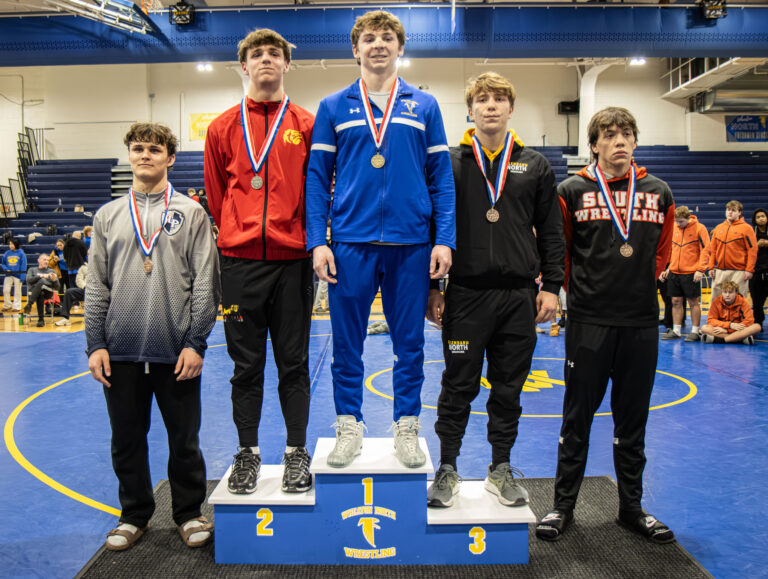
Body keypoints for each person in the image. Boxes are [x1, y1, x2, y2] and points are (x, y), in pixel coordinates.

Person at [306, 10, 455, 469]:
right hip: (350, 243)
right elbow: (316, 179)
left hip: (412, 245)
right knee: (346, 343)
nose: (378, 45)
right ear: (355, 49)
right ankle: (348, 426)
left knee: (409, 344)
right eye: (368, 38)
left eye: (387, 37)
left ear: (400, 47)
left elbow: (442, 179)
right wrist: (318, 241)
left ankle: (406, 427)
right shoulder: (333, 107)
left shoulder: (424, 106)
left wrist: (443, 239)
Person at [535, 107, 676, 544]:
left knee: (632, 422)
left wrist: (634, 285)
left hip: (639, 324)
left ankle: (631, 509)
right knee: (576, 419)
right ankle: (562, 506)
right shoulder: (571, 190)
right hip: (589, 321)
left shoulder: (659, 191)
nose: (619, 141)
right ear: (593, 144)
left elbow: (663, 254)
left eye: (627, 134)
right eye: (609, 135)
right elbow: (560, 251)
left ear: (635, 142)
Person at [425, 72, 564, 508]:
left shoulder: (535, 165)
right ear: (469, 110)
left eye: (499, 99)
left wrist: (553, 287)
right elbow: (433, 228)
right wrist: (433, 287)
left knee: (508, 388)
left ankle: (499, 468)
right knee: (458, 385)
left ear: (510, 109)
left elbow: (552, 233)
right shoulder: (449, 160)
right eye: (481, 99)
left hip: (519, 296)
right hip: (465, 294)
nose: (490, 106)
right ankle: (447, 467)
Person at [86, 122, 220, 551]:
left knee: (185, 439)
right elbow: (96, 286)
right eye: (138, 148)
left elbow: (205, 283)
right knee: (126, 438)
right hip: (120, 350)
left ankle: (188, 512)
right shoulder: (107, 215)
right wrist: (96, 344)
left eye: (155, 149)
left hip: (175, 349)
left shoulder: (191, 212)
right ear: (129, 155)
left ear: (170, 158)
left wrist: (195, 343)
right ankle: (135, 514)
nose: (145, 155)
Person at [204, 29, 315, 495]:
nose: (266, 59)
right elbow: (216, 193)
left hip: (293, 262)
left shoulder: (307, 125)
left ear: (287, 64)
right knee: (244, 366)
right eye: (256, 54)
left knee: (294, 362)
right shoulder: (221, 127)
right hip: (239, 264)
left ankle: (295, 452)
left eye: (275, 53)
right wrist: (237, 232)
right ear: (243, 67)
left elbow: (315, 194)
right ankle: (247, 452)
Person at [659, 206, 710, 341]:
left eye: (681, 221)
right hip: (674, 271)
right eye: (676, 221)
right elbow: (671, 250)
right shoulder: (674, 228)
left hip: (691, 272)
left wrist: (700, 270)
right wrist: (667, 268)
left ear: (688, 218)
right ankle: (676, 330)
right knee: (675, 301)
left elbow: (705, 251)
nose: (678, 224)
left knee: (693, 302)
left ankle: (695, 331)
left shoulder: (700, 228)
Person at [707, 200, 758, 300]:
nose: (730, 212)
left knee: (739, 300)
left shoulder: (747, 229)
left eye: (733, 210)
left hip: (739, 271)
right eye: (728, 210)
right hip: (720, 270)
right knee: (716, 300)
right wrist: (711, 267)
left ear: (739, 212)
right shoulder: (718, 228)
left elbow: (752, 250)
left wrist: (749, 269)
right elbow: (713, 250)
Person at [24, 253, 60, 327]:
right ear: (39, 260)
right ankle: (41, 320)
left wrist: (55, 280)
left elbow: (57, 287)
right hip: (36, 292)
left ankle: (29, 304)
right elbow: (28, 280)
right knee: (41, 292)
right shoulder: (32, 269)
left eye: (47, 260)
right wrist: (41, 276)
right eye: (44, 260)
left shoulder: (52, 272)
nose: (46, 261)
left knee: (42, 282)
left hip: (48, 292)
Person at [749, 208, 768, 329]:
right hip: (755, 271)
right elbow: (745, 248)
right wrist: (757, 245)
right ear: (755, 220)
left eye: (763, 216)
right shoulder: (751, 233)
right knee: (756, 301)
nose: (761, 218)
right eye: (758, 217)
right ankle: (758, 323)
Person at [54, 262, 87, 327]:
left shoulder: (100, 266)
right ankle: (65, 318)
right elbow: (78, 279)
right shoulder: (83, 267)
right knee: (69, 292)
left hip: (98, 291)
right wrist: (85, 286)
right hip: (85, 290)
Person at [2, 238, 26, 312]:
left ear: (16, 244)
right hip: (8, 274)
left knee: (17, 291)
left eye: (12, 244)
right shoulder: (7, 253)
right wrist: (6, 269)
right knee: (5, 290)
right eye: (9, 244)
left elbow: (23, 265)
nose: (10, 245)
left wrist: (22, 276)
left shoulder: (21, 253)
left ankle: (17, 306)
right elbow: (3, 263)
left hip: (18, 275)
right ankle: (7, 305)